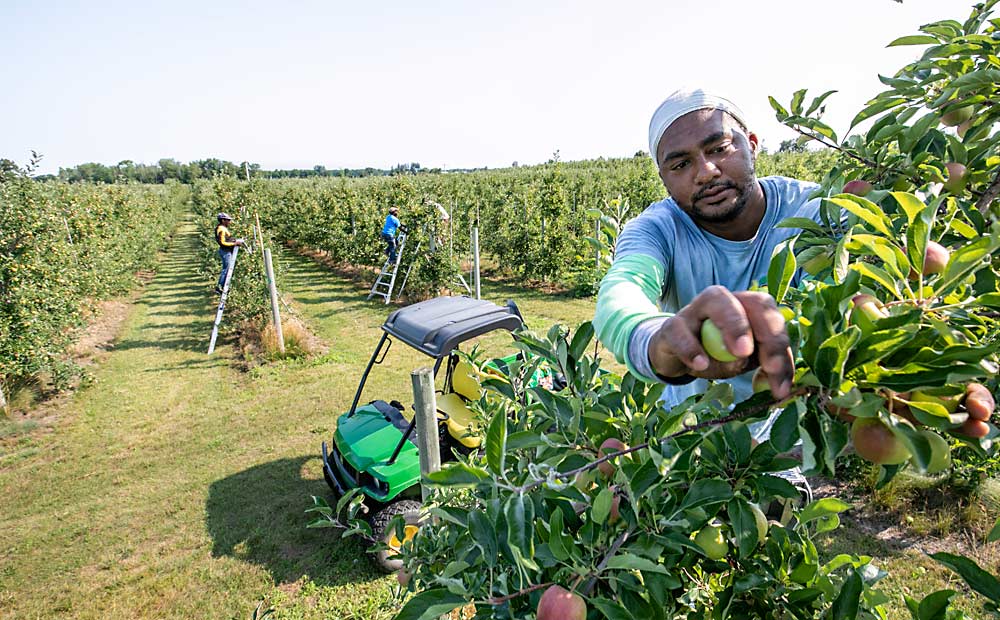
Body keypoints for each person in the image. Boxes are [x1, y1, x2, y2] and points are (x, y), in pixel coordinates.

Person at [593, 88, 994, 447]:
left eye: (719, 148)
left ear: (752, 145)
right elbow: (622, 293)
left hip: (785, 434)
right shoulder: (657, 230)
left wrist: (897, 360)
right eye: (680, 165)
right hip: (690, 436)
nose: (706, 171)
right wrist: (660, 340)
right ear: (663, 177)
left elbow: (857, 294)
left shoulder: (816, 211)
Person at [214, 212, 243, 294]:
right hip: (225, 251)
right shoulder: (221, 229)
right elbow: (222, 242)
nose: (229, 222)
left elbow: (227, 239)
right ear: (223, 220)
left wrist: (234, 240)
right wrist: (234, 244)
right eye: (228, 220)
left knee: (227, 269)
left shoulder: (222, 228)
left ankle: (223, 287)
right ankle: (220, 287)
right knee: (226, 269)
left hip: (226, 251)